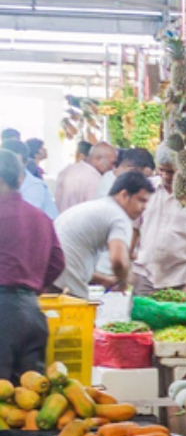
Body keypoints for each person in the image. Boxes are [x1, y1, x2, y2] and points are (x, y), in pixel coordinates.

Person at [0, 151, 64, 376]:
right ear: (19, 180)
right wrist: (33, 286)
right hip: (33, 313)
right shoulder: (41, 217)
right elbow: (57, 261)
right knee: (30, 396)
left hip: (3, 312)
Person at [130, 147, 186, 295]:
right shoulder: (144, 189)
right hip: (145, 276)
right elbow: (133, 230)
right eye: (162, 170)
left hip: (182, 280)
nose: (166, 176)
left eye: (172, 172)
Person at [51, 170, 150, 298]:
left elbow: (72, 259)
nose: (144, 207)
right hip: (66, 289)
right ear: (124, 195)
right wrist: (124, 280)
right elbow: (118, 260)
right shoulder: (119, 217)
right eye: (141, 201)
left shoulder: (95, 207)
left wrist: (103, 279)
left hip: (50, 280)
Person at [2, 141, 56, 219]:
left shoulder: (35, 187)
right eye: (7, 164)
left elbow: (23, 220)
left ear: (26, 163)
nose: (11, 168)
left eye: (15, 164)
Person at [53, 142, 112, 212]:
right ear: (99, 159)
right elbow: (95, 212)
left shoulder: (65, 171)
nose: (113, 168)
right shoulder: (94, 178)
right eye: (112, 163)